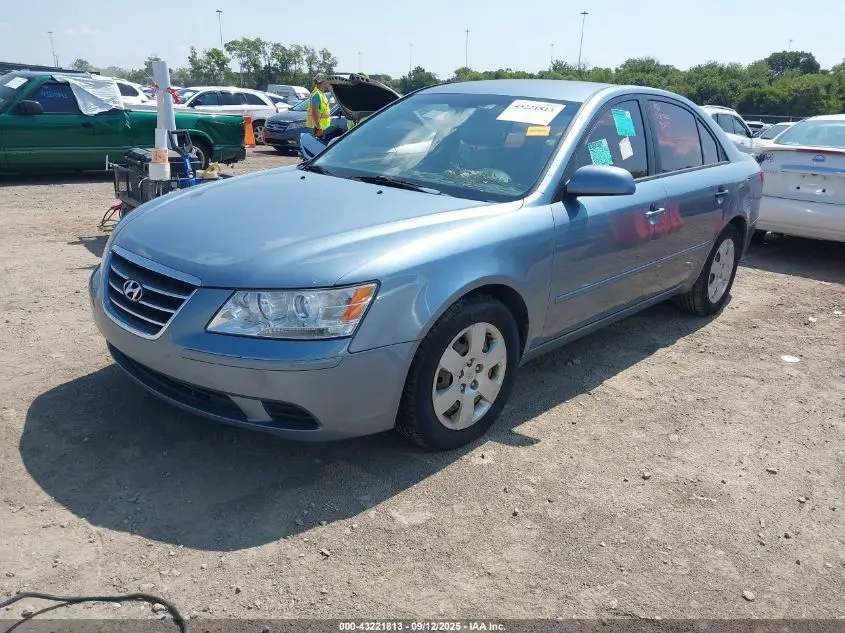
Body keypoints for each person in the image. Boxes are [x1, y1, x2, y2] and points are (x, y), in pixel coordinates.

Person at [306, 73, 332, 139]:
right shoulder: (317, 95)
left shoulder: (321, 94)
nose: (327, 84)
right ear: (322, 82)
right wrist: (319, 127)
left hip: (322, 128)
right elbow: (314, 113)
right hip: (318, 129)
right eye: (325, 82)